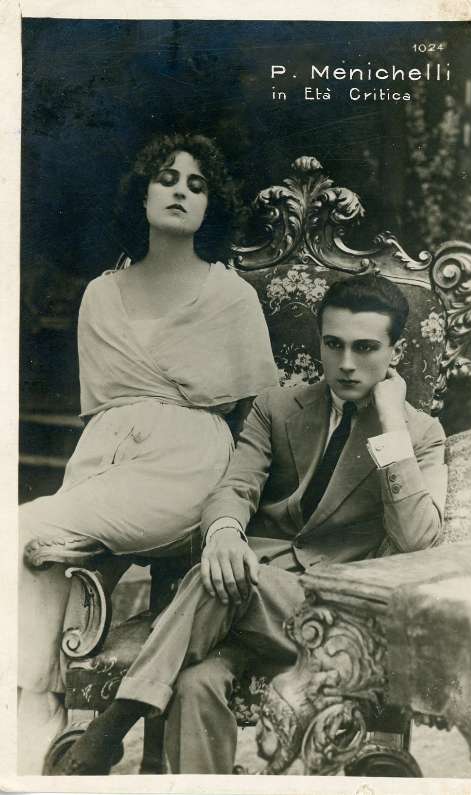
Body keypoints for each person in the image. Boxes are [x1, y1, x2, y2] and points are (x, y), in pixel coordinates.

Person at [58, 274, 448, 775]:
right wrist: (224, 532)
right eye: (334, 344)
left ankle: (114, 724)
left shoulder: (420, 434)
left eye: (366, 347)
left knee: (216, 581)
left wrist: (392, 424)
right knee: (195, 684)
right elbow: (236, 486)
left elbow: (419, 539)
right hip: (248, 607)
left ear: (395, 351)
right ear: (320, 343)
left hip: (338, 623)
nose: (347, 363)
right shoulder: (277, 407)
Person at [18, 133, 278, 773]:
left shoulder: (231, 297)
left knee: (21, 528)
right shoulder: (100, 295)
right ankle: (37, 697)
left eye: (197, 184)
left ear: (210, 207)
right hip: (108, 462)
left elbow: (257, 413)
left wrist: (234, 511)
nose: (181, 191)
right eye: (167, 178)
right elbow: (101, 409)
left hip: (189, 465)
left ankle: (37, 705)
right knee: (35, 546)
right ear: (142, 194)